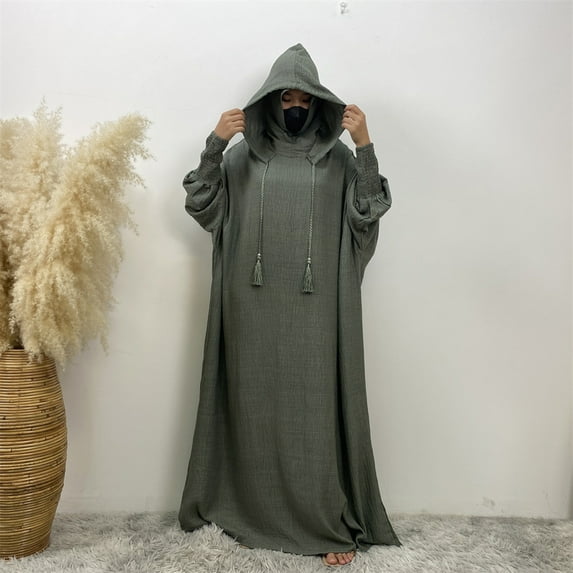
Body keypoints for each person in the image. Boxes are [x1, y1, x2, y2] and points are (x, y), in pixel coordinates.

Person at [178, 43, 401, 567]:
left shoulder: (338, 159)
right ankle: (250, 510)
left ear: (318, 102)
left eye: (304, 98)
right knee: (251, 407)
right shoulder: (243, 157)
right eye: (286, 98)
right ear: (270, 102)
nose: (295, 106)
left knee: (312, 410)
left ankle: (322, 518)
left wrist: (364, 145)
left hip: (317, 309)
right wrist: (215, 143)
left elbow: (366, 212)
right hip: (249, 306)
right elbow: (202, 204)